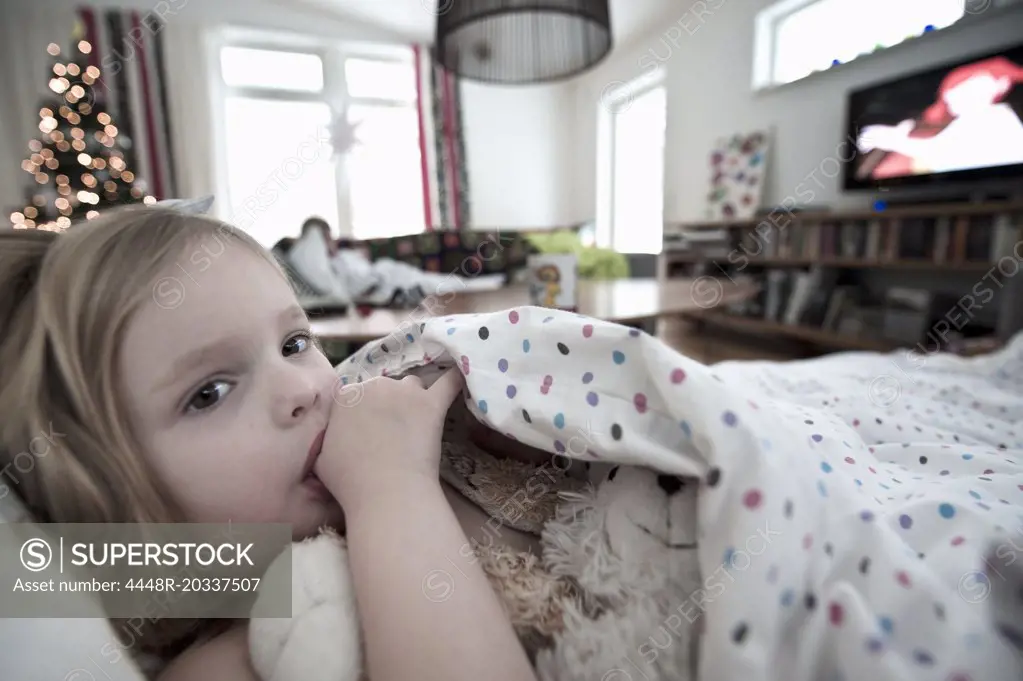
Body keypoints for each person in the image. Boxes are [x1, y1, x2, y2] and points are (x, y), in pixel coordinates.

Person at [0, 206, 538, 681]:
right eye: (209, 393)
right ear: (108, 498)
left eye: (294, 342)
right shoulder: (228, 664)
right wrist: (393, 490)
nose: (302, 389)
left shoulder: (386, 456)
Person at [857, 56, 1023, 177]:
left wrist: (891, 140)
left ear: (1000, 85)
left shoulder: (996, 116)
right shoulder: (966, 120)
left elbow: (942, 154)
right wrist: (895, 135)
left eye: (964, 89)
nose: (951, 98)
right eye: (950, 93)